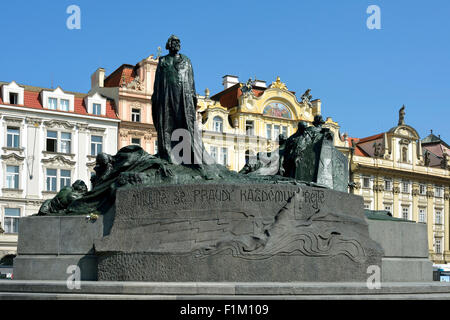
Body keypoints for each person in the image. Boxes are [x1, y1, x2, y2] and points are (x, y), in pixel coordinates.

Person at [152, 35, 205, 165]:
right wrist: (156, 99)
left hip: (183, 97)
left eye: (178, 42)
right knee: (167, 125)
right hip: (167, 96)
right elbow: (157, 83)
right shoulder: (163, 61)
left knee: (185, 124)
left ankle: (189, 157)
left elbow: (191, 81)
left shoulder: (186, 60)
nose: (177, 44)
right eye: (174, 42)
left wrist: (193, 98)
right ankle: (168, 155)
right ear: (169, 44)